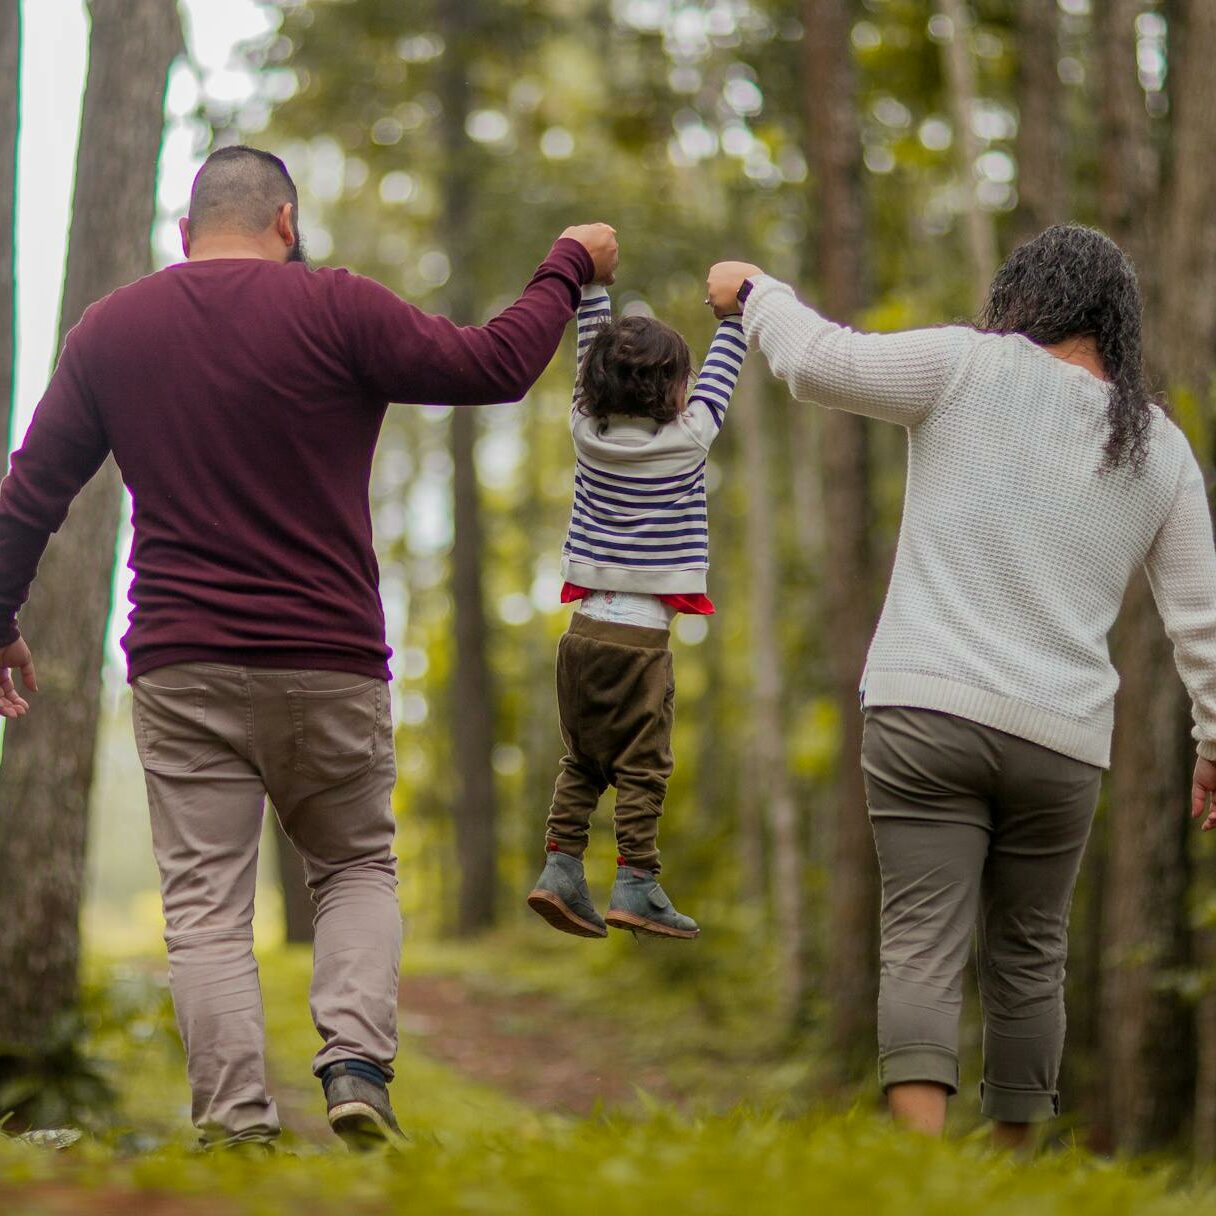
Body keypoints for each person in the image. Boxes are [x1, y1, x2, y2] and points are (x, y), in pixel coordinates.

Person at [0, 144, 618, 1150]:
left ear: (183, 232)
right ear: (286, 223)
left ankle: (238, 1128)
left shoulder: (113, 329)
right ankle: (356, 1067)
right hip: (328, 655)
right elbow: (497, 365)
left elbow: (30, 494)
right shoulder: (338, 306)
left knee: (205, 908)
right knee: (355, 867)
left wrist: (1, 620)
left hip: (181, 660)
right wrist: (565, 264)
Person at [706, 224, 1216, 1149]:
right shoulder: (1161, 451)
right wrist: (1214, 746)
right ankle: (1013, 1180)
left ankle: (921, 1178)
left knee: (922, 945)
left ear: (1024, 297)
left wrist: (753, 292)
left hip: (926, 714)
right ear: (1118, 325)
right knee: (1031, 962)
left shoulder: (964, 366)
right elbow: (1203, 623)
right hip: (1061, 741)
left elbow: (818, 362)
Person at [525, 282, 746, 939]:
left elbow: (584, 353)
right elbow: (726, 367)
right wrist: (734, 313)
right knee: (642, 768)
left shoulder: (584, 432)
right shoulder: (690, 438)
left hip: (582, 636)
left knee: (583, 761)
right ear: (674, 391)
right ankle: (636, 881)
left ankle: (560, 866)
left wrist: (592, 287)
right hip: (641, 644)